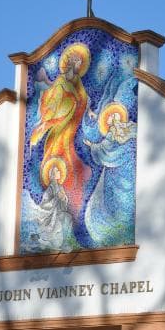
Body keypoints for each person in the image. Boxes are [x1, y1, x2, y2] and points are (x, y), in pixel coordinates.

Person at [28, 42, 95, 215]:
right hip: (58, 126)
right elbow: (50, 102)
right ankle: (54, 190)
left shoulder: (78, 82)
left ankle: (71, 198)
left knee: (69, 156)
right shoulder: (60, 80)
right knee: (55, 153)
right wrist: (47, 120)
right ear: (68, 61)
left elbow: (83, 99)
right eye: (74, 60)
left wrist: (89, 111)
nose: (77, 63)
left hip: (71, 127)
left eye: (80, 62)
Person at [84, 103, 137, 246]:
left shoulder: (131, 126)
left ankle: (127, 228)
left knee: (127, 201)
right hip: (114, 175)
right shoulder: (111, 135)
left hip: (129, 169)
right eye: (110, 117)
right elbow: (103, 148)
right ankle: (113, 230)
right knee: (114, 201)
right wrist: (92, 146)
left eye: (114, 114)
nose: (112, 118)